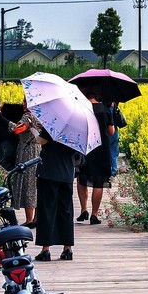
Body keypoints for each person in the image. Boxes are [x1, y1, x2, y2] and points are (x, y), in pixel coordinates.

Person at [32, 124, 76, 261]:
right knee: (66, 210)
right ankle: (67, 249)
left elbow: (41, 140)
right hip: (67, 172)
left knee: (46, 210)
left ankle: (45, 250)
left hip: (49, 172)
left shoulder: (55, 122)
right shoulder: (77, 128)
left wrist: (33, 130)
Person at [76, 87, 115, 225]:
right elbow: (111, 131)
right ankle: (94, 214)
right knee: (99, 182)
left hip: (85, 147)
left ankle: (83, 210)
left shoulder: (81, 108)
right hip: (101, 148)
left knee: (82, 178)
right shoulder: (104, 110)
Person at [0, 103, 41, 226]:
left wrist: (2, 119)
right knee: (36, 183)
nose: (23, 104)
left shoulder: (28, 115)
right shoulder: (41, 115)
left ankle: (29, 220)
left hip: (28, 151)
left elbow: (18, 129)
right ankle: (37, 218)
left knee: (28, 183)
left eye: (26, 101)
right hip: (38, 150)